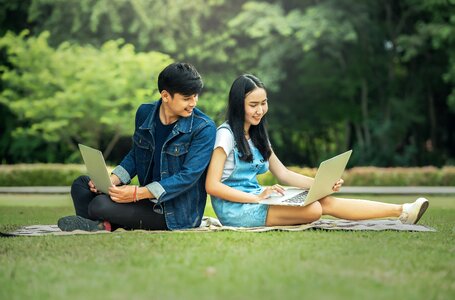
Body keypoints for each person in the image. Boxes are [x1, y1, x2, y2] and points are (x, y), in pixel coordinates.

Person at [205, 74, 429, 227]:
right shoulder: (225, 135)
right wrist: (255, 198)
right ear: (237, 105)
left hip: (258, 198)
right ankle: (401, 211)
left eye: (263, 103)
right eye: (253, 105)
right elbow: (212, 185)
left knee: (325, 200)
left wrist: (320, 185)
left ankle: (403, 210)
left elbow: (283, 174)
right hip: (236, 209)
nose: (260, 110)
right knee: (314, 210)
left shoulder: (257, 134)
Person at [58, 62, 216, 231]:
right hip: (144, 200)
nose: (194, 103)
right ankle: (101, 225)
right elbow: (136, 155)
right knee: (82, 184)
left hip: (173, 211)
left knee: (99, 205)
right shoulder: (145, 113)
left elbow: (188, 176)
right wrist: (112, 180)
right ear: (165, 96)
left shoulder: (204, 128)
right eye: (186, 98)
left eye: (195, 96)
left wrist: (137, 193)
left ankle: (101, 222)